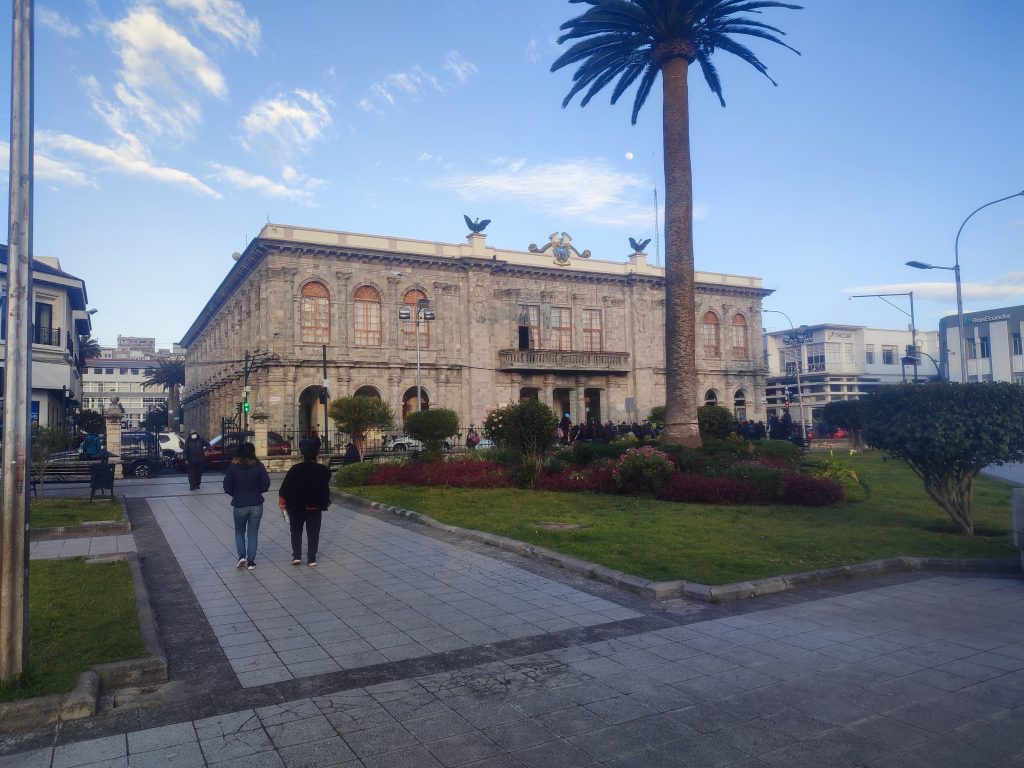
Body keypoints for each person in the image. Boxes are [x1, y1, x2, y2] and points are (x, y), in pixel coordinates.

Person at [278, 437, 333, 567]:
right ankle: (311, 558)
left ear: (303, 455)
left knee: (296, 531)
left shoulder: (295, 469)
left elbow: (284, 488)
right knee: (313, 532)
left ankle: (297, 556)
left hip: (296, 506)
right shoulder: (323, 470)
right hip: (315, 506)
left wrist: (282, 500)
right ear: (316, 455)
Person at [223, 442, 270, 571]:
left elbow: (226, 486)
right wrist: (258, 491)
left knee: (239, 531)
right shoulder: (259, 466)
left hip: (239, 504)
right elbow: (266, 483)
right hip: (256, 503)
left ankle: (241, 556)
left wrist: (236, 494)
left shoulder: (233, 467)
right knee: (253, 533)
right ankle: (251, 561)